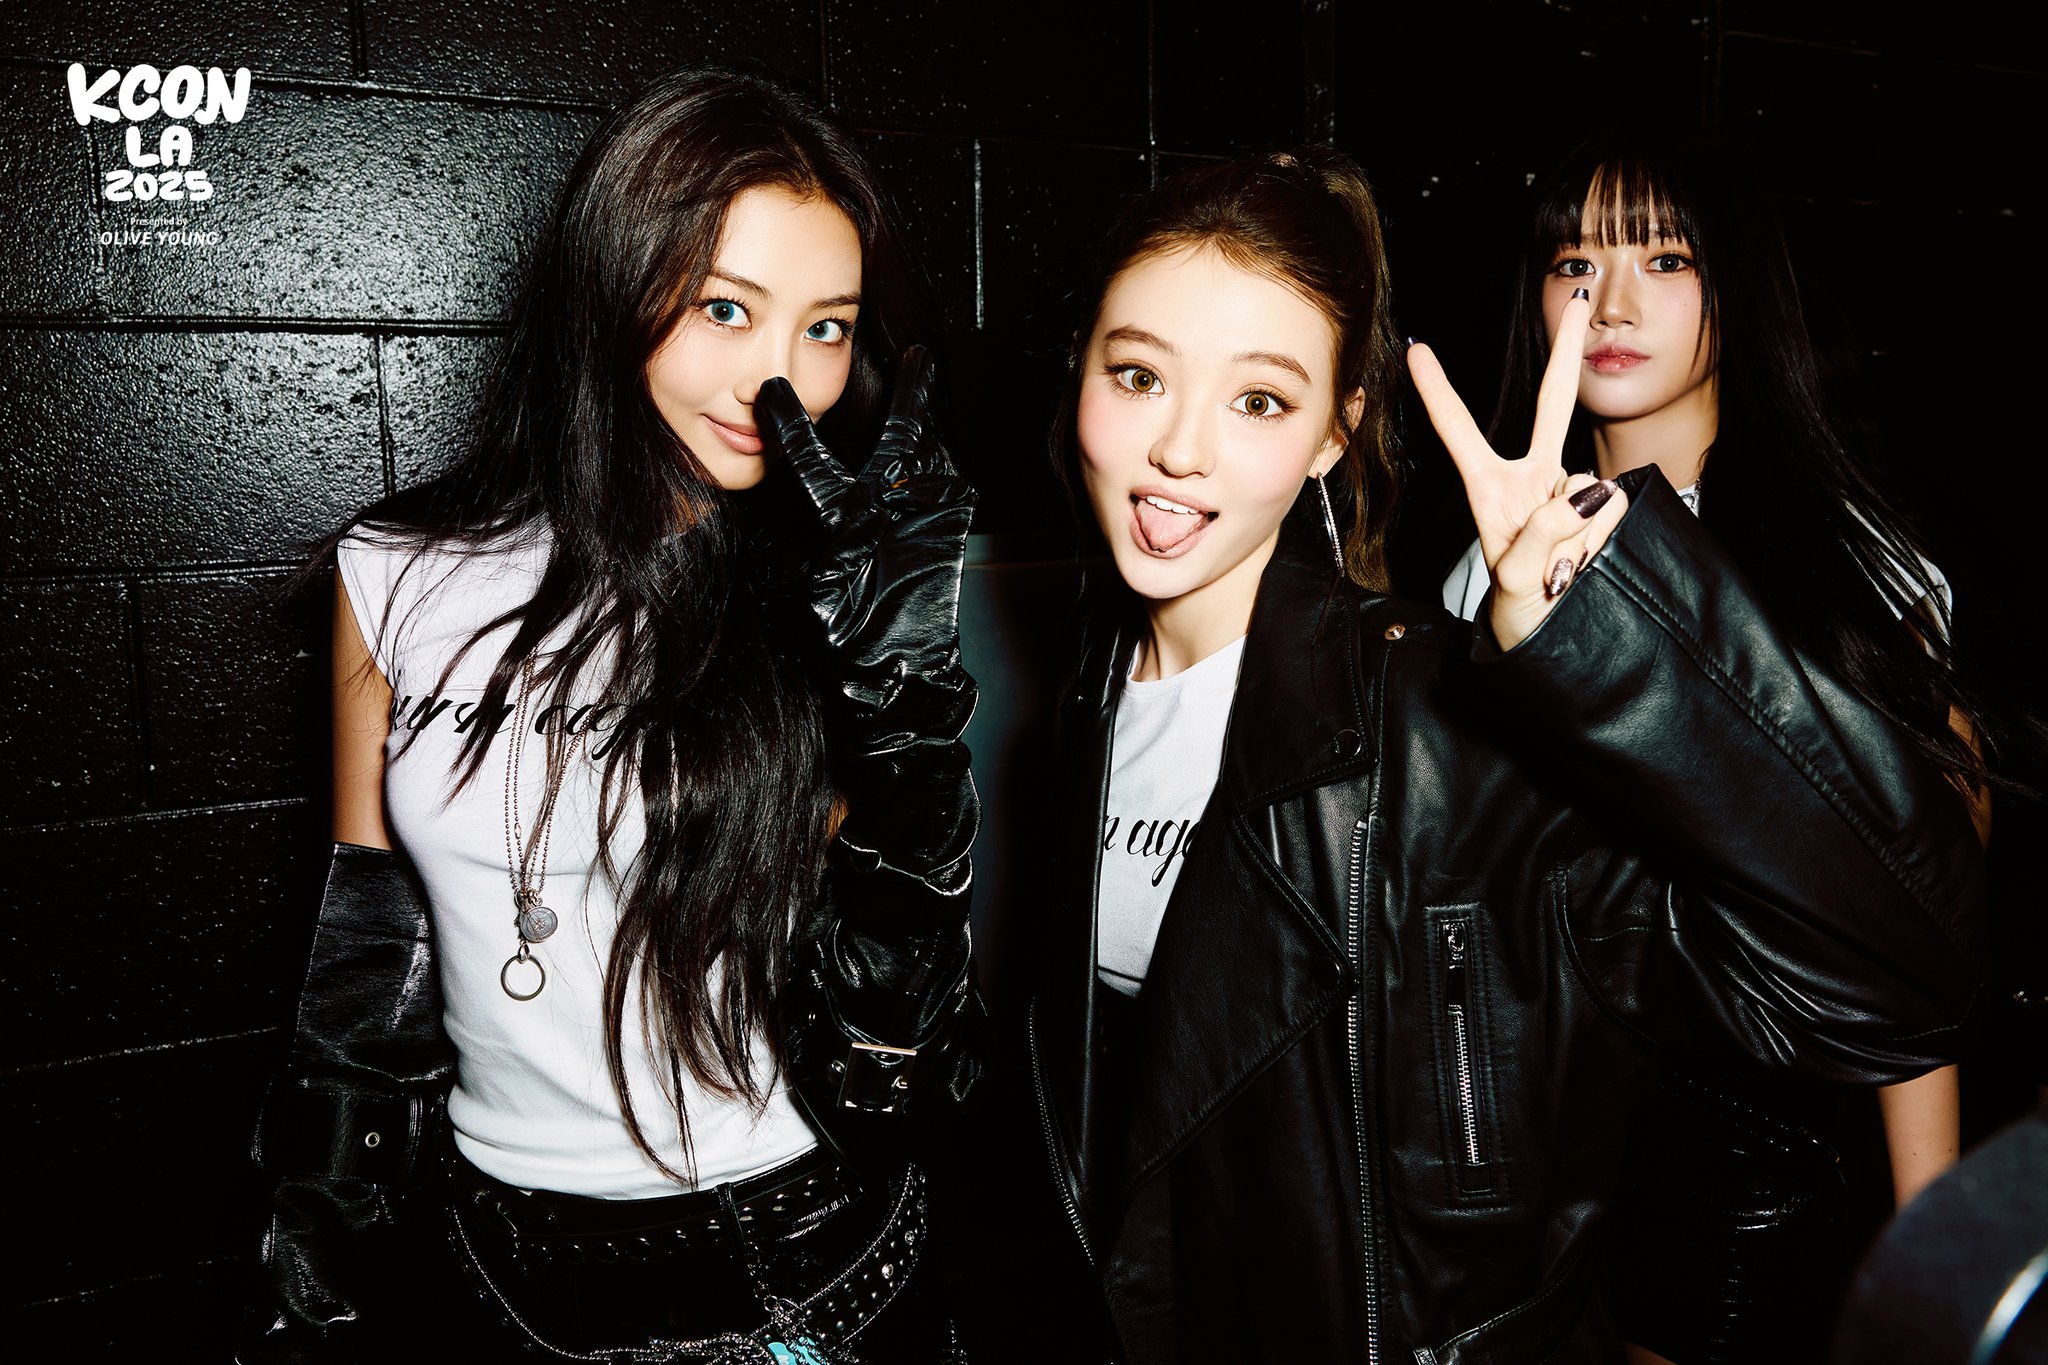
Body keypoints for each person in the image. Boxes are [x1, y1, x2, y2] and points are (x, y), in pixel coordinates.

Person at [1014, 147, 1988, 1364]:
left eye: (1257, 399)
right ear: (1078, 372)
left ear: (1332, 434)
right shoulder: (1085, 700)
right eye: (1137, 375)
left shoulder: (1439, 726)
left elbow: (1900, 973)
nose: (1178, 448)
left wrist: (1604, 641)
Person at [242, 66, 977, 1363]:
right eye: (724, 309)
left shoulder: (830, 598)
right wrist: (321, 1246)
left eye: (826, 328)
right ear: (613, 289)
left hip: (793, 1263)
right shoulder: (398, 570)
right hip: (495, 1267)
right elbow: (369, 952)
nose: (780, 381)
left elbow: (895, 1027)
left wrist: (909, 736)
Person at [1443, 130, 2002, 1364]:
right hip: (1541, 1170)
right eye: (1574, 263)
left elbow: (1912, 928)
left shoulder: (1847, 566)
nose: (1609, 304)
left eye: (1665, 258)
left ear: (1736, 284)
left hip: (1767, 1158)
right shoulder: (1477, 581)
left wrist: (1930, 1242)